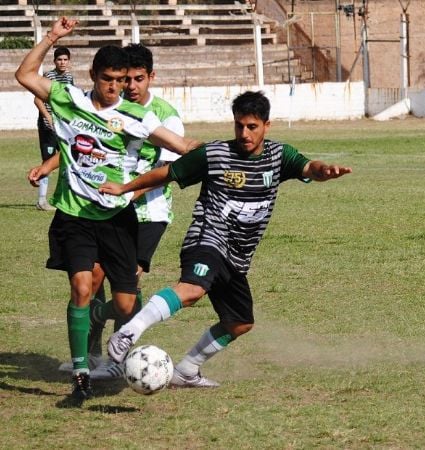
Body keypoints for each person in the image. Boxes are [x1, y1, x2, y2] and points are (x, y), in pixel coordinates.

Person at [101, 91, 351, 387]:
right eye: (239, 126)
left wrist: (325, 170)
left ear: (267, 125)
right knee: (193, 290)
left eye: (252, 127)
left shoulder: (278, 156)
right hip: (208, 237)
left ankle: (187, 370)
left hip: (237, 256)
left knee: (240, 322)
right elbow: (167, 173)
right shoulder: (214, 154)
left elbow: (310, 168)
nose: (244, 133)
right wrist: (126, 188)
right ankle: (130, 330)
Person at [18, 17, 201, 402]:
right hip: (74, 215)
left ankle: (100, 331)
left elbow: (181, 145)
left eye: (120, 80)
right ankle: (82, 370)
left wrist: (225, 153)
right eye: (108, 80)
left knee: (124, 304)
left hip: (118, 218)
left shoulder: (135, 116)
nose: (116, 87)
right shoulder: (68, 101)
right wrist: (52, 37)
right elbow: (25, 74)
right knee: (82, 287)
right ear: (93, 75)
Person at [84, 43, 186, 381]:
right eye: (127, 79)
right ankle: (92, 348)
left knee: (129, 281)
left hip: (150, 212)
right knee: (95, 275)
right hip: (110, 209)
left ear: (151, 77)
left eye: (139, 79)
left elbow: (167, 171)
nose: (131, 86)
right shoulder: (115, 108)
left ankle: (117, 353)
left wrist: (128, 193)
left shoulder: (167, 115)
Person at [33, 46, 73, 211]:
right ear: (54, 61)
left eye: (65, 59)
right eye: (59, 59)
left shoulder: (70, 77)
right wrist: (48, 117)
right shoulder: (49, 76)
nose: (62, 62)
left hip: (63, 125)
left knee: (67, 158)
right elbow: (37, 100)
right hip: (48, 126)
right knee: (48, 160)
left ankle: (63, 196)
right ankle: (41, 200)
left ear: (69, 61)